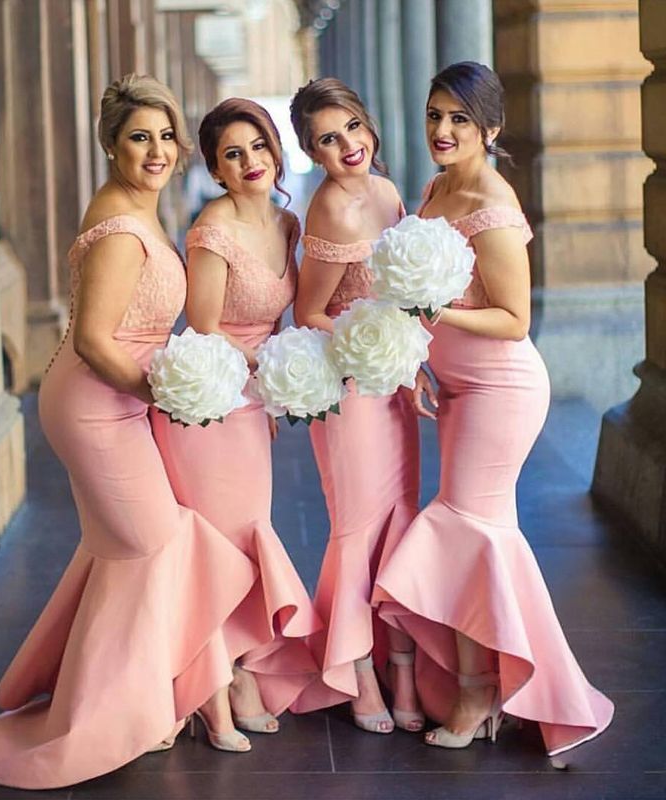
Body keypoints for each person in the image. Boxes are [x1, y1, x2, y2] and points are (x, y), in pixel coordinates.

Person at [0, 74, 258, 789]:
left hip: (115, 398)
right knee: (157, 542)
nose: (155, 150)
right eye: (138, 137)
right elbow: (97, 340)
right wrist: (163, 394)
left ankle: (139, 701)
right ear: (110, 146)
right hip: (97, 402)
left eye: (165, 136)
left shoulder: (139, 208)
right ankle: (123, 711)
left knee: (124, 552)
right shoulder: (125, 229)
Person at [375, 61, 614, 754]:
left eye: (459, 119)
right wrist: (416, 351)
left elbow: (512, 318)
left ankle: (482, 689)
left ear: (491, 128)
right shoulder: (436, 186)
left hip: (502, 388)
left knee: (465, 524)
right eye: (434, 115)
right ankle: (495, 684)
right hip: (454, 385)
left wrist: (435, 310)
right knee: (473, 528)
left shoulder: (493, 203)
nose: (442, 130)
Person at [150, 98, 320, 737]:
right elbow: (204, 327)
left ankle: (239, 670)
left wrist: (277, 389)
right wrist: (268, 364)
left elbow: (283, 314)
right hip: (209, 401)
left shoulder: (287, 223)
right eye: (232, 154)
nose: (250, 162)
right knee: (217, 550)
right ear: (217, 171)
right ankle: (214, 688)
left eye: (258, 147)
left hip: (250, 405)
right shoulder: (211, 229)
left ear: (276, 151)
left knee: (250, 534)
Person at [288, 78, 423, 734]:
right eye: (327, 139)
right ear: (312, 152)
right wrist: (365, 347)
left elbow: (401, 295)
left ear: (368, 126)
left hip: (395, 380)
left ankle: (403, 662)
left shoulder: (390, 193)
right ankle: (358, 667)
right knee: (357, 525)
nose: (347, 146)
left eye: (352, 129)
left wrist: (409, 357)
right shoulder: (331, 211)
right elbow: (309, 309)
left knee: (400, 515)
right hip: (348, 384)